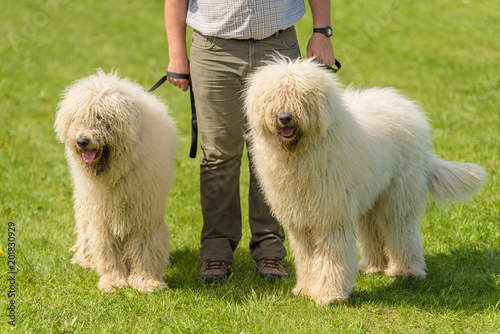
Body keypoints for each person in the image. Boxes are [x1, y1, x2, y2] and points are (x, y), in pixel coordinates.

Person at [164, 0, 336, 283]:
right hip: (215, 51)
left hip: (278, 47)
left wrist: (322, 31)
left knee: (276, 153)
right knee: (219, 155)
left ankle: (270, 249)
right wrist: (177, 54)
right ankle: (216, 251)